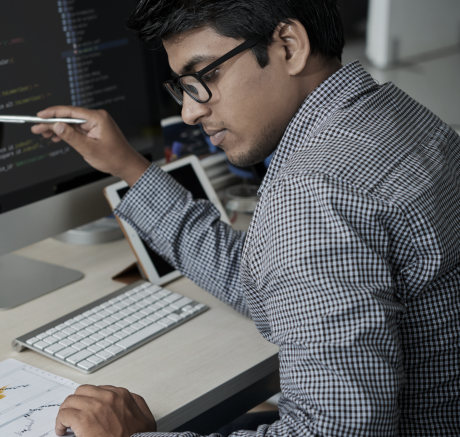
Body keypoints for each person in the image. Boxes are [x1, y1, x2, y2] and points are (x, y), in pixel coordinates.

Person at [31, 0, 460, 436]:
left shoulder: (312, 193)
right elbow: (272, 282)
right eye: (182, 87)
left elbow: (333, 431)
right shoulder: (397, 117)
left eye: (204, 76)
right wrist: (128, 166)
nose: (190, 111)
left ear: (289, 46)